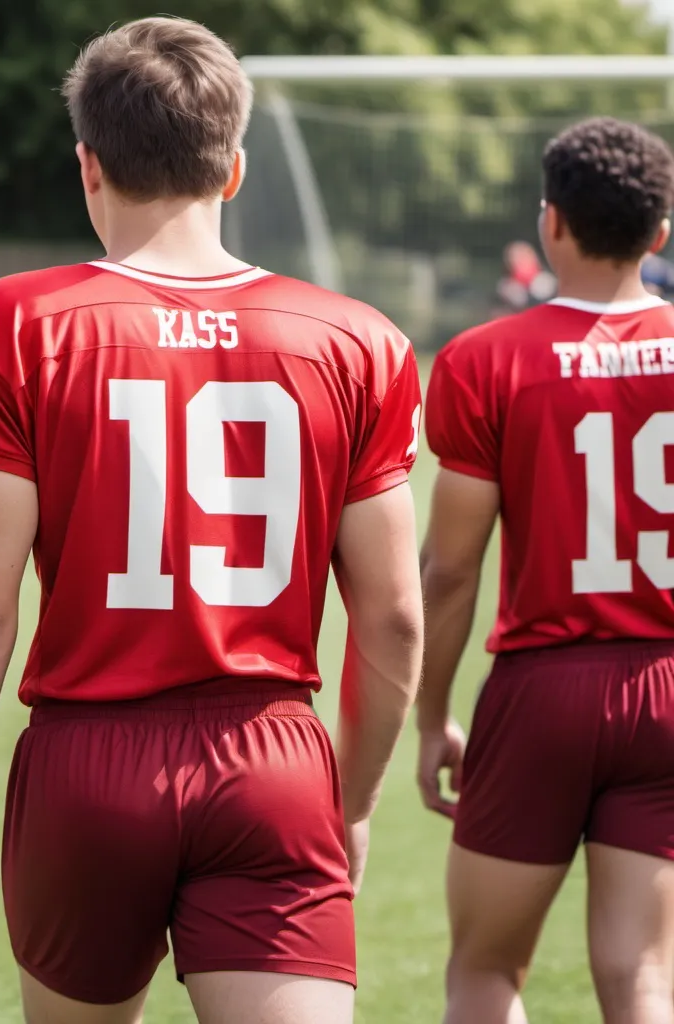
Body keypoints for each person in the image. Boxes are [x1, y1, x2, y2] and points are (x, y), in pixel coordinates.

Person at [0, 16, 424, 1024]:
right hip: (271, 755)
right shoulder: (357, 340)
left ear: (87, 164)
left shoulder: (7, 327)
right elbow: (392, 613)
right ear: (232, 170)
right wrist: (347, 800)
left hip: (87, 762)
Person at [419, 116, 674, 1024]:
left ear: (549, 223)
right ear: (660, 234)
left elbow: (450, 570)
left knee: (484, 973)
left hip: (543, 690)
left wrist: (430, 713)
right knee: (643, 975)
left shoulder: (486, 361)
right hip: (667, 689)